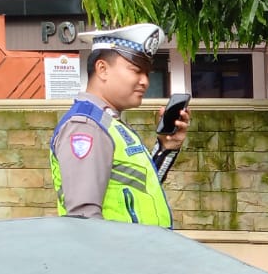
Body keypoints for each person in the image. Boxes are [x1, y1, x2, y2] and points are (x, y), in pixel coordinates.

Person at [49, 23, 189, 225]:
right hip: (120, 255)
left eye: (147, 73)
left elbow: (141, 192)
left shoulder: (110, 124)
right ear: (102, 69)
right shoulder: (86, 126)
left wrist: (166, 149)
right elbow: (84, 221)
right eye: (136, 70)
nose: (145, 82)